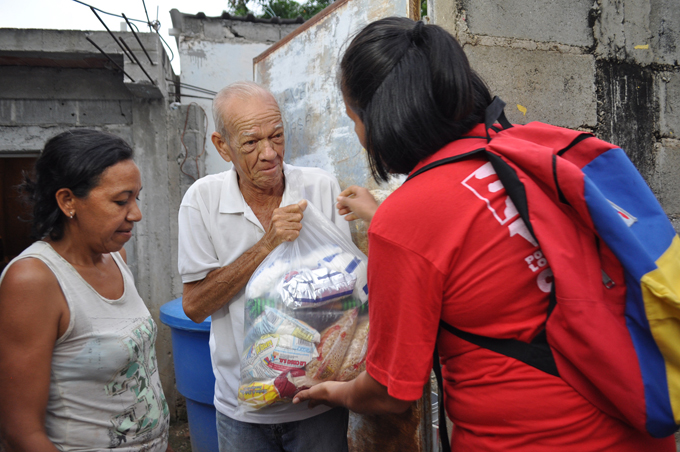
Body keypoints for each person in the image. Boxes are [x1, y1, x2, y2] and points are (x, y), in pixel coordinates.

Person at [292, 17, 676, 451]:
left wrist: (333, 391)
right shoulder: (529, 149)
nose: (359, 134)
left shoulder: (406, 219)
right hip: (635, 419)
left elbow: (390, 391)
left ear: (381, 116)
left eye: (353, 119)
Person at [177, 81, 351, 452]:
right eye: (252, 142)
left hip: (317, 403)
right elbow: (194, 307)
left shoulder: (319, 188)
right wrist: (268, 244)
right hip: (242, 411)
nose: (270, 153)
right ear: (222, 146)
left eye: (277, 136)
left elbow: (348, 294)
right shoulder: (201, 201)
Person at [0, 129, 170, 451]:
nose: (136, 214)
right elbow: (20, 433)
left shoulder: (114, 258)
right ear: (67, 201)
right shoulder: (34, 280)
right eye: (121, 200)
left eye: (137, 197)